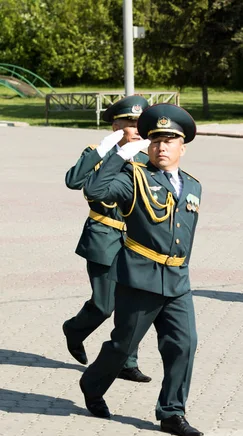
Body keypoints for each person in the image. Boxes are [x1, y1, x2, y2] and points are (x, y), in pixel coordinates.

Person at [79, 103, 203, 436]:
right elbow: (95, 190)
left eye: (169, 141)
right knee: (122, 347)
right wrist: (119, 157)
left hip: (178, 281)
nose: (162, 147)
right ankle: (92, 384)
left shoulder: (193, 186)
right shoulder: (133, 178)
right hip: (140, 280)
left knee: (184, 344)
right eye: (156, 141)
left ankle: (171, 412)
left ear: (183, 147)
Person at [63, 95, 151, 383]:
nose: (137, 128)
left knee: (133, 303)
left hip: (136, 241)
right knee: (104, 305)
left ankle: (127, 362)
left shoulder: (147, 156)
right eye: (130, 123)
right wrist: (102, 150)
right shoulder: (97, 151)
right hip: (103, 235)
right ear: (116, 125)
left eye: (141, 122)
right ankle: (74, 329)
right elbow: (74, 181)